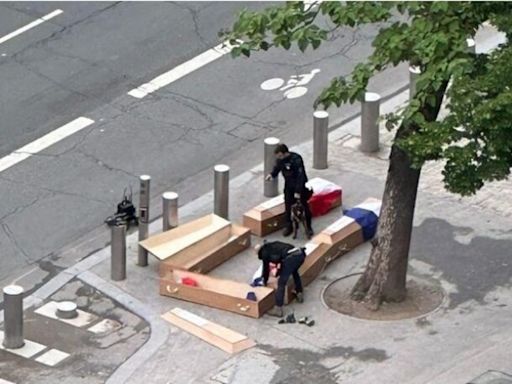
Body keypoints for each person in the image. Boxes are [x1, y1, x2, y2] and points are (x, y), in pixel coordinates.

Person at [265, 144, 313, 237]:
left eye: (280, 156)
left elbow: (300, 176)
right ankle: (288, 226)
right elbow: (277, 168)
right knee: (287, 206)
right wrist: (272, 175)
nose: (279, 158)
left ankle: (309, 227)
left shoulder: (296, 159)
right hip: (289, 186)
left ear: (285, 153)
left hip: (299, 186)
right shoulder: (280, 160)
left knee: (304, 206)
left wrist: (298, 191)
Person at [255, 241, 306, 317]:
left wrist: (264, 281)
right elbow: (280, 259)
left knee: (281, 282)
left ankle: (278, 309)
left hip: (291, 258)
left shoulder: (264, 253)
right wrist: (279, 272)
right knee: (294, 271)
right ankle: (299, 293)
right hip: (301, 254)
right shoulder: (273, 245)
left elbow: (266, 268)